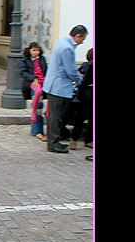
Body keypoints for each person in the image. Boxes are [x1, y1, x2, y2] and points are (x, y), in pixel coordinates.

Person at [42, 25, 88, 153]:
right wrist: (81, 82)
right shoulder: (67, 48)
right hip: (59, 87)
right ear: (78, 36)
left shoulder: (61, 42)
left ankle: (54, 141)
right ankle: (53, 143)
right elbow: (71, 70)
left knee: (54, 116)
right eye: (82, 39)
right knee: (56, 117)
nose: (82, 42)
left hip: (54, 85)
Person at [19, 42, 48, 140]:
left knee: (39, 108)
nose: (36, 52)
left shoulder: (42, 59)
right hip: (32, 84)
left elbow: (46, 70)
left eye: (38, 50)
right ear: (29, 50)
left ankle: (39, 131)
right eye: (34, 50)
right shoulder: (25, 60)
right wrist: (32, 78)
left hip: (42, 82)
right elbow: (22, 72)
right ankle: (37, 131)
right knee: (37, 108)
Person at [70, 48, 93, 150]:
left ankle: (89, 140)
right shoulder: (85, 65)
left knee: (92, 119)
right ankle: (74, 139)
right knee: (80, 118)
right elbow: (83, 80)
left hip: (88, 93)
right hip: (85, 94)